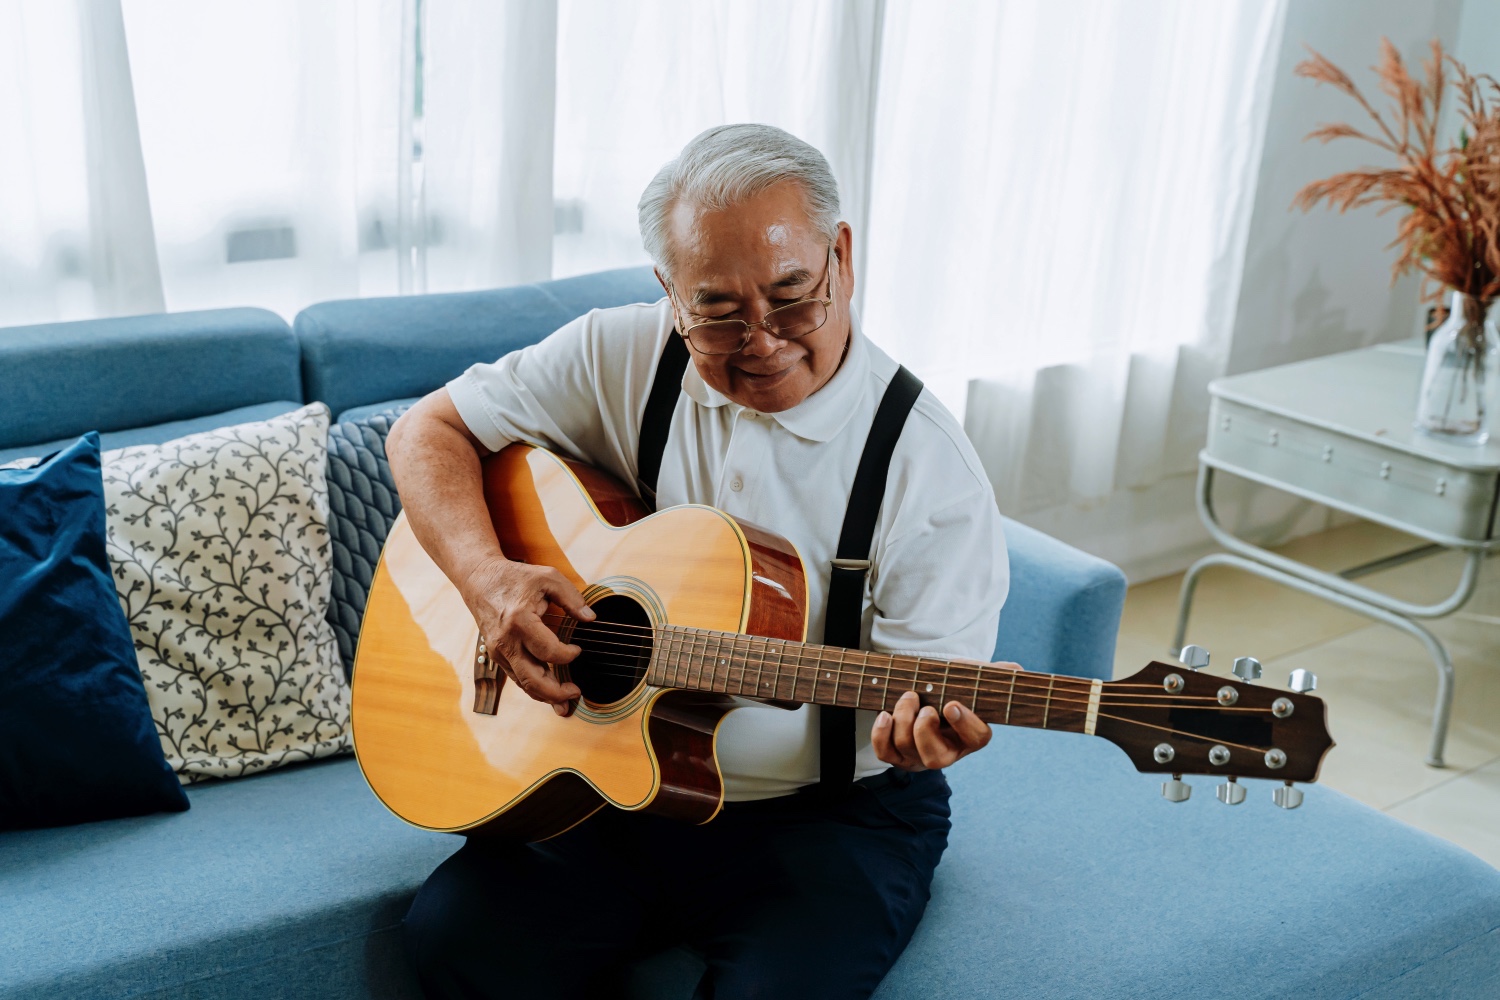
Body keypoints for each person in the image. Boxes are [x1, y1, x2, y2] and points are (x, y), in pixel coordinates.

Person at [389, 123, 1011, 1000]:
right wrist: (487, 580)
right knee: (454, 943)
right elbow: (430, 430)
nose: (761, 339)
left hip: (829, 817)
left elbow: (925, 695)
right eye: (717, 309)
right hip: (621, 788)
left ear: (842, 256)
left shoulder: (929, 471)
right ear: (668, 290)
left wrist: (920, 738)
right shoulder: (624, 353)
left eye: (794, 296)